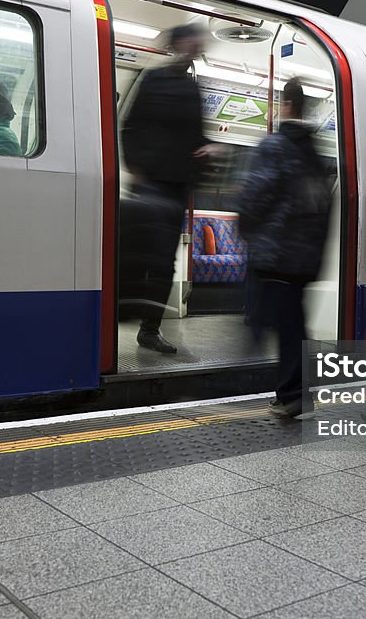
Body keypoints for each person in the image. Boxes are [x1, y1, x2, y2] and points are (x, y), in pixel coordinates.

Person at [237, 78, 332, 418]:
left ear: (287, 105)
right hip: (303, 258)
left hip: (275, 253)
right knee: (292, 321)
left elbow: (256, 195)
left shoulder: (275, 146)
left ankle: (291, 393)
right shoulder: (315, 154)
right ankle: (293, 391)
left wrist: (245, 227)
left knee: (280, 322)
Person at [120, 23, 215, 354]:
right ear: (178, 43)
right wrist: (136, 168)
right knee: (138, 255)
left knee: (164, 263)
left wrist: (207, 151)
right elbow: (129, 126)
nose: (196, 46)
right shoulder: (152, 79)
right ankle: (119, 316)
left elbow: (197, 138)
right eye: (192, 40)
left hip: (177, 187)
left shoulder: (193, 89)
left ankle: (150, 329)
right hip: (150, 184)